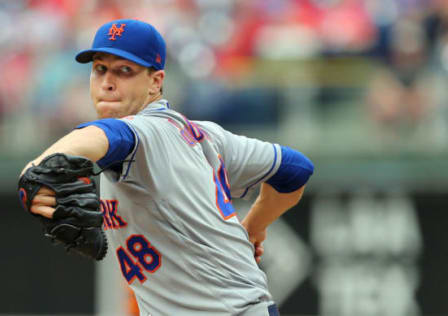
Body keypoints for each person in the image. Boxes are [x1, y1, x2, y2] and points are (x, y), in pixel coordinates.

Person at [20, 19, 314, 316]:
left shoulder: (146, 131)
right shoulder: (206, 136)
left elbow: (106, 136)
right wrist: (253, 227)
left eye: (124, 71)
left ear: (155, 82)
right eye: (100, 69)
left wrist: (34, 169)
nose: (107, 82)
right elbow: (294, 169)